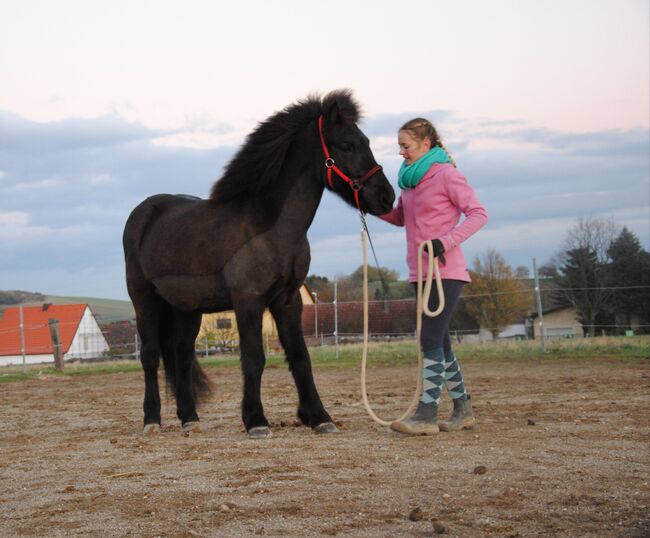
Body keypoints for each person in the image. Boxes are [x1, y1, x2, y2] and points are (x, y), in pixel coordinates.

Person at [379, 118, 488, 435]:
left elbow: (479, 213)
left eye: (406, 146)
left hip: (445, 272)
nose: (401, 152)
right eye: (399, 146)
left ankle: (426, 415)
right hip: (419, 273)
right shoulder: (410, 182)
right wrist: (371, 206)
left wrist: (446, 241)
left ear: (425, 145)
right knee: (440, 341)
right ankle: (462, 408)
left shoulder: (447, 175)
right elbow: (400, 217)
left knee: (429, 340)